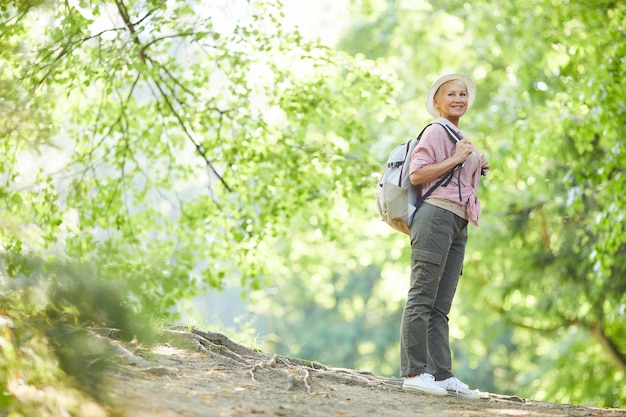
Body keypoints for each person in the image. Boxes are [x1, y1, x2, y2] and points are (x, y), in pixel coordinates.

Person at [400, 73, 489, 399]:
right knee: (422, 297)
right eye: (450, 93)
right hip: (435, 217)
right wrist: (456, 159)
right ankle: (413, 372)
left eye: (463, 94)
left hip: (457, 222)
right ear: (437, 102)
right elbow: (418, 173)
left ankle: (441, 375)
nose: (458, 98)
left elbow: (458, 179)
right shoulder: (437, 130)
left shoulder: (459, 135)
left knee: (441, 306)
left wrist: (477, 164)